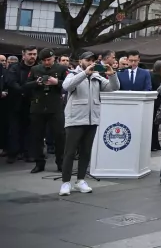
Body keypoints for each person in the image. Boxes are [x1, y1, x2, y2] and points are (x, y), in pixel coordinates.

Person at [60, 51, 119, 195]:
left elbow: (114, 87)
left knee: (86, 152)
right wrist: (84, 73)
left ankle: (80, 180)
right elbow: (67, 86)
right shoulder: (73, 74)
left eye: (93, 60)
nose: (91, 62)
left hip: (92, 119)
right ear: (81, 60)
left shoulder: (97, 77)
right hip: (75, 119)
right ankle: (65, 182)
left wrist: (112, 74)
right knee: (70, 152)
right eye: (88, 60)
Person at [26, 49, 67, 173]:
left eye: (48, 60)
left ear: (54, 58)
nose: (46, 63)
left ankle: (61, 162)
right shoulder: (35, 69)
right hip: (38, 106)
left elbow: (69, 85)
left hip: (55, 107)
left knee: (59, 136)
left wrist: (57, 82)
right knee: (37, 136)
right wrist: (36, 82)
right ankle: (39, 163)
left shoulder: (61, 69)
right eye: (44, 60)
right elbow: (26, 85)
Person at [5, 46, 38, 164]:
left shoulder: (38, 68)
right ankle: (13, 153)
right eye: (30, 54)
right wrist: (24, 88)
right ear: (23, 55)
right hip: (16, 103)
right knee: (14, 129)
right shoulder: (15, 68)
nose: (32, 56)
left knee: (30, 129)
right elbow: (12, 82)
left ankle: (28, 152)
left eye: (34, 54)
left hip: (33, 103)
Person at [150, 60, 161, 151]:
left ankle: (155, 144)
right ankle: (154, 144)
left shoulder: (157, 76)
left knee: (155, 125)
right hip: (156, 102)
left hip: (156, 102)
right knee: (154, 125)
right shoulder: (156, 76)